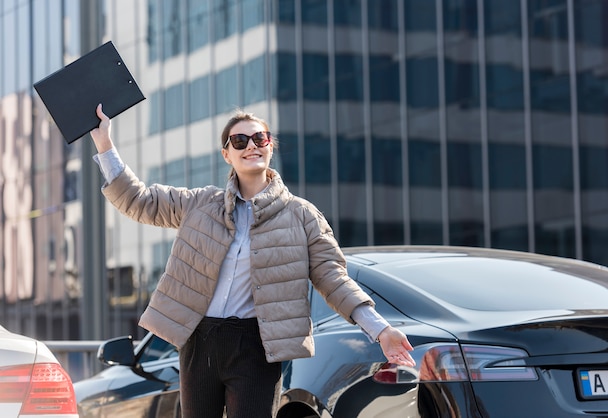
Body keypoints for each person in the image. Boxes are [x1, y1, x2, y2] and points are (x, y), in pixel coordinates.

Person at [90, 103, 416, 418]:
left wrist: (381, 330)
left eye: (259, 138)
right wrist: (105, 143)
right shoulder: (200, 204)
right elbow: (139, 201)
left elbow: (333, 278)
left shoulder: (302, 216)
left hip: (256, 346)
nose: (251, 146)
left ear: (270, 146)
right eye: (239, 140)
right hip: (199, 342)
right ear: (226, 154)